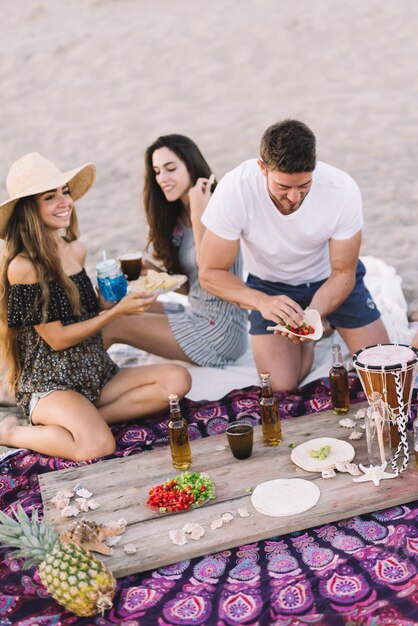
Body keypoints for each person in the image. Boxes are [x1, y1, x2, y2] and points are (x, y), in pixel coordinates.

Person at [0, 152, 191, 461]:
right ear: (30, 210)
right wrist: (116, 313)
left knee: (178, 381)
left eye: (65, 192)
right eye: (51, 197)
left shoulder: (75, 249)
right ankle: (12, 432)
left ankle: (85, 417)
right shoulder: (23, 267)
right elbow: (56, 338)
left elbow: (85, 312)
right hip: (52, 382)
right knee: (97, 447)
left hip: (93, 370)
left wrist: (111, 300)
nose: (65, 202)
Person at [199, 119, 389, 391]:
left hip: (330, 282)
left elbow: (344, 272)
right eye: (283, 187)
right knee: (281, 387)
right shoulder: (235, 189)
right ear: (262, 168)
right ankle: (312, 343)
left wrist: (313, 315)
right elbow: (210, 273)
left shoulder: (342, 189)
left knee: (383, 372)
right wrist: (262, 302)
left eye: (304, 185)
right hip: (269, 286)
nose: (294, 197)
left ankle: (323, 324)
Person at [103, 134, 248, 367]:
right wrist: (154, 272)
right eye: (157, 171)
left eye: (170, 168)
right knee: (122, 305)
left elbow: (209, 275)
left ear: (190, 167)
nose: (162, 178)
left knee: (112, 326)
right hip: (195, 310)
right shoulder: (179, 218)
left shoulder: (217, 209)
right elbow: (194, 286)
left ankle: (84, 388)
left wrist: (198, 210)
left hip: (220, 330)